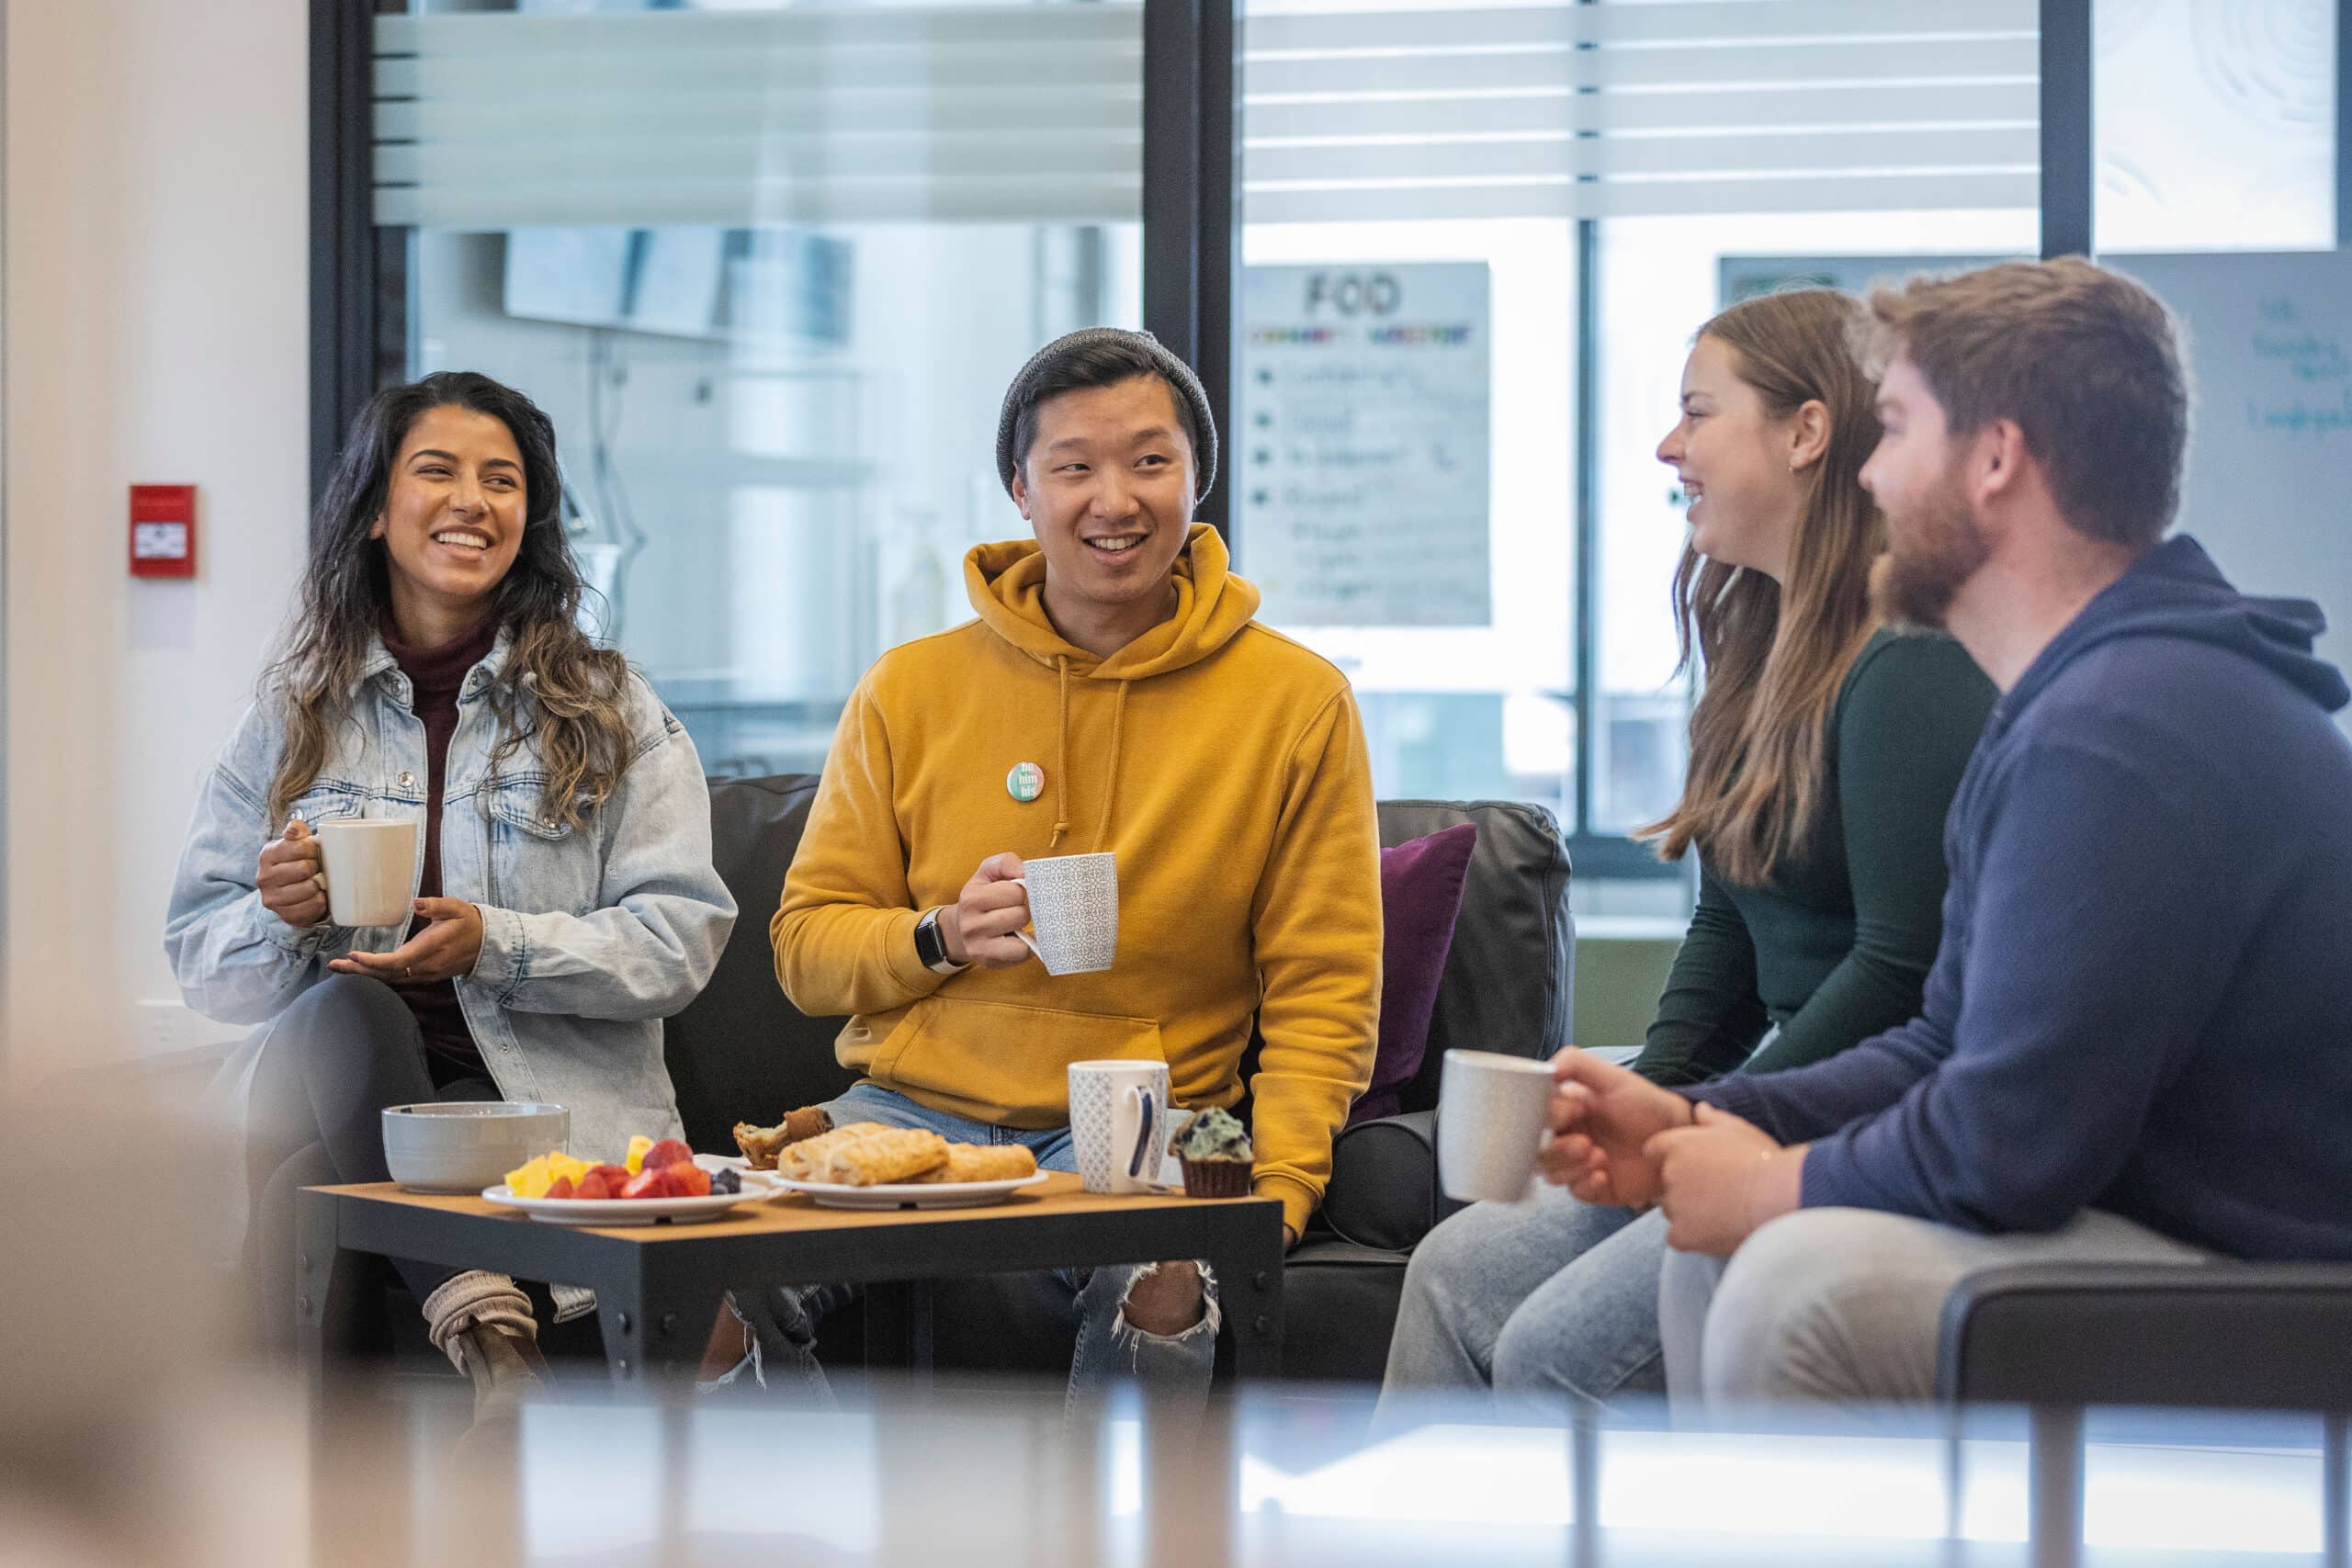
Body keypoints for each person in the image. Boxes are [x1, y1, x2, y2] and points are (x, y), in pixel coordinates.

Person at [1539, 257, 2352, 1410]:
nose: (1867, 474)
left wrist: (1773, 1185)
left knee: (1794, 1281)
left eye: (1897, 430)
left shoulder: (2121, 728)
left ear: (1994, 460)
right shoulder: (2074, 702)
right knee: (1722, 1253)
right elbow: (1941, 1043)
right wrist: (1699, 1119)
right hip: (2153, 1227)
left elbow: (2008, 1142)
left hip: (2271, 1280)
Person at [733, 327, 1382, 1412]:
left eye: (1149, 461)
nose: (1113, 499)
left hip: (1148, 1120)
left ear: (1195, 481)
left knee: (1165, 1282)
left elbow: (1327, 985)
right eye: (1074, 466)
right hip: (911, 1114)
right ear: (1021, 491)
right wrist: (934, 936)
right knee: (716, 1278)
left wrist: (1273, 1192)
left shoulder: (1295, 700)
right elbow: (804, 951)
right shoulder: (911, 686)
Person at [1378, 288, 1994, 1418]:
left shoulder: (1909, 665)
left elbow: (1901, 972)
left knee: (1549, 1351)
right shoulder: (1757, 643)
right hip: (1764, 1107)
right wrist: (1645, 1096)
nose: (1670, 447)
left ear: (1806, 432)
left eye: (1697, 413)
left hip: (1860, 1129)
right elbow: (1730, 923)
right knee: (1453, 1272)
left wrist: (1705, 1128)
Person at [166, 372, 736, 1420]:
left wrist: (495, 944)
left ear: (532, 520)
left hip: (532, 1107)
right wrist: (275, 916)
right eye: (437, 470)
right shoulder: (292, 716)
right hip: (325, 1069)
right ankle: (483, 1325)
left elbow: (678, 943)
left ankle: (332, 1497)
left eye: (502, 479)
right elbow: (203, 961)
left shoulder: (609, 710)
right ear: (377, 512)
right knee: (349, 1005)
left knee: (308, 1187)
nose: (472, 498)